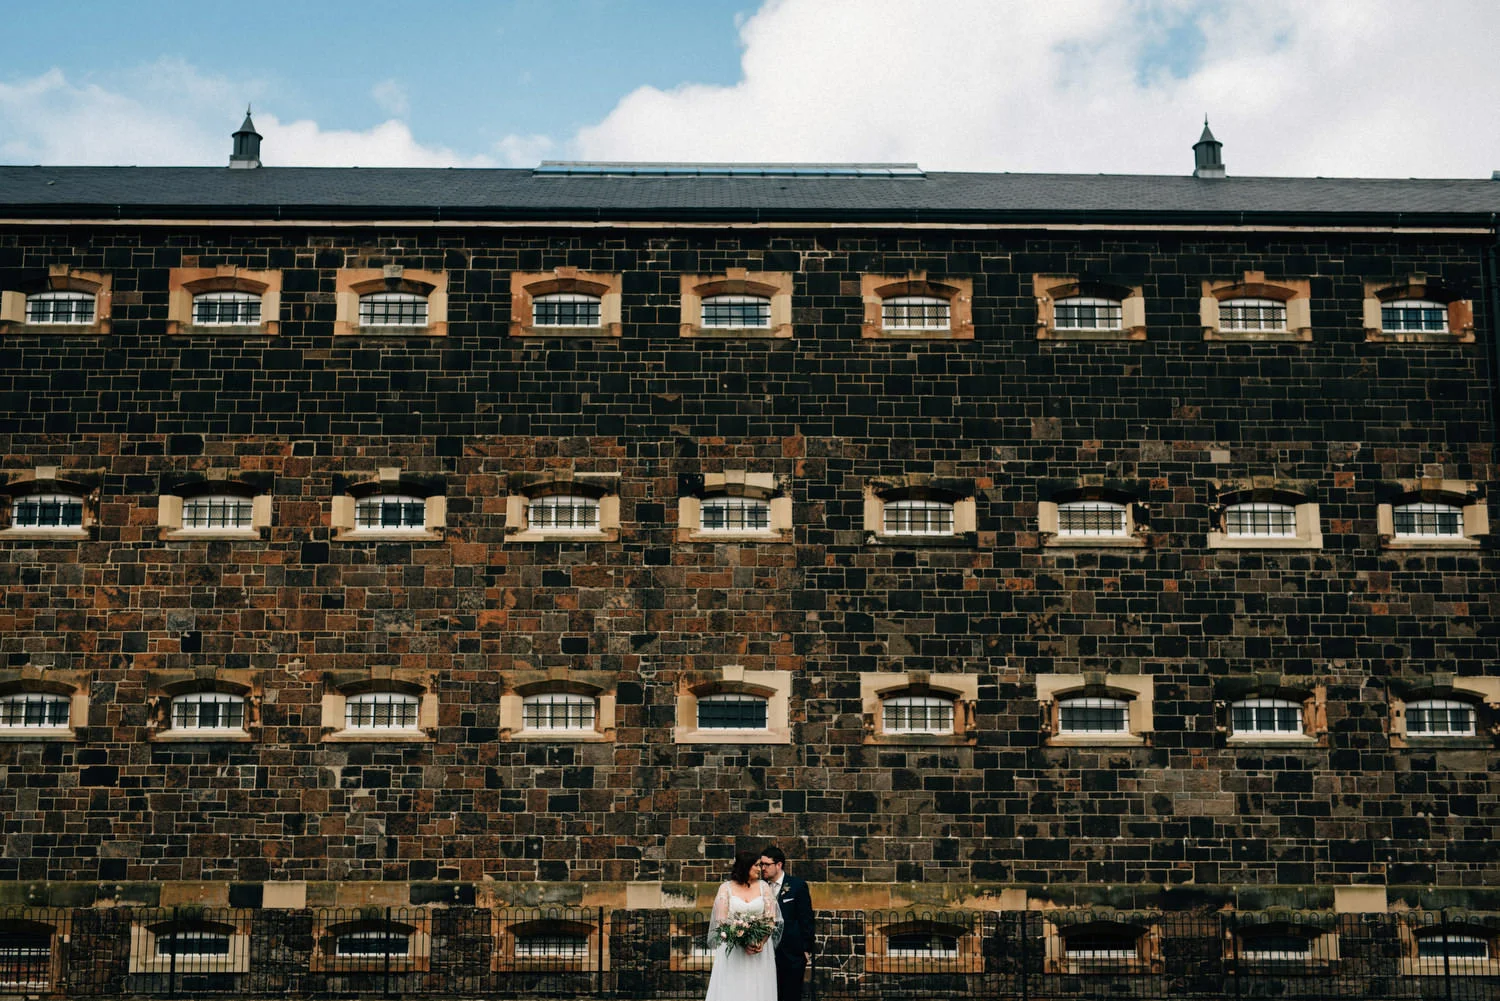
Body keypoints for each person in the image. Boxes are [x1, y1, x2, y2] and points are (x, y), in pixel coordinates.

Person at [704, 850, 781, 1001]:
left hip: (759, 950)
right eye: (757, 865)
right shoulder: (725, 888)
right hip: (733, 949)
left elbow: (771, 919)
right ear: (745, 866)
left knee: (757, 988)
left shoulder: (763, 887)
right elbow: (721, 922)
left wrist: (761, 941)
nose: (760, 869)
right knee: (733, 988)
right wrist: (742, 941)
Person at [759, 846, 814, 1001]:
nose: (763, 868)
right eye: (761, 864)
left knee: (790, 995)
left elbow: (806, 918)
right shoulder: (760, 887)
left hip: (792, 953)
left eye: (766, 864)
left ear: (779, 865)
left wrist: (806, 949)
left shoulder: (797, 886)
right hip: (765, 952)